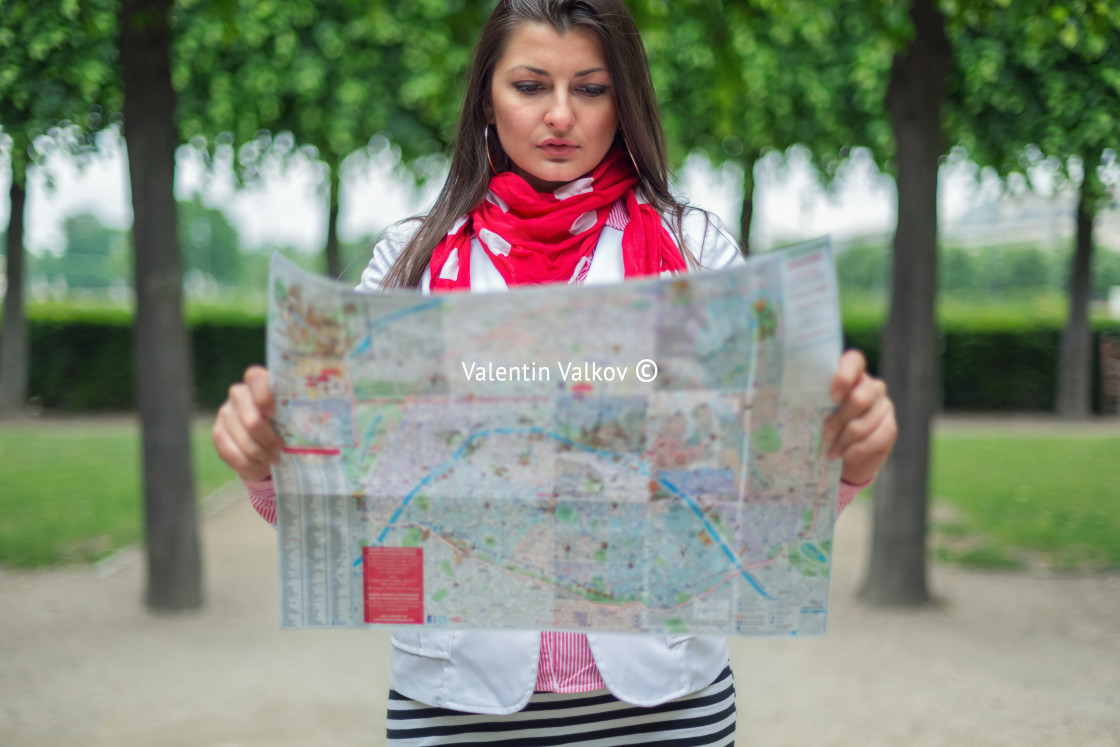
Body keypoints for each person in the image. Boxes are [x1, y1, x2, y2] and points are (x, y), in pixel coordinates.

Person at [212, 1, 897, 743]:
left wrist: (847, 462)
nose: (560, 115)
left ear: (624, 101)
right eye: (531, 86)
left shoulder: (694, 253)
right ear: (486, 98)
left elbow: (759, 491)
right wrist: (267, 463)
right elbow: (345, 498)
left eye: (592, 88)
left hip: (666, 699)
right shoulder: (409, 266)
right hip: (455, 700)